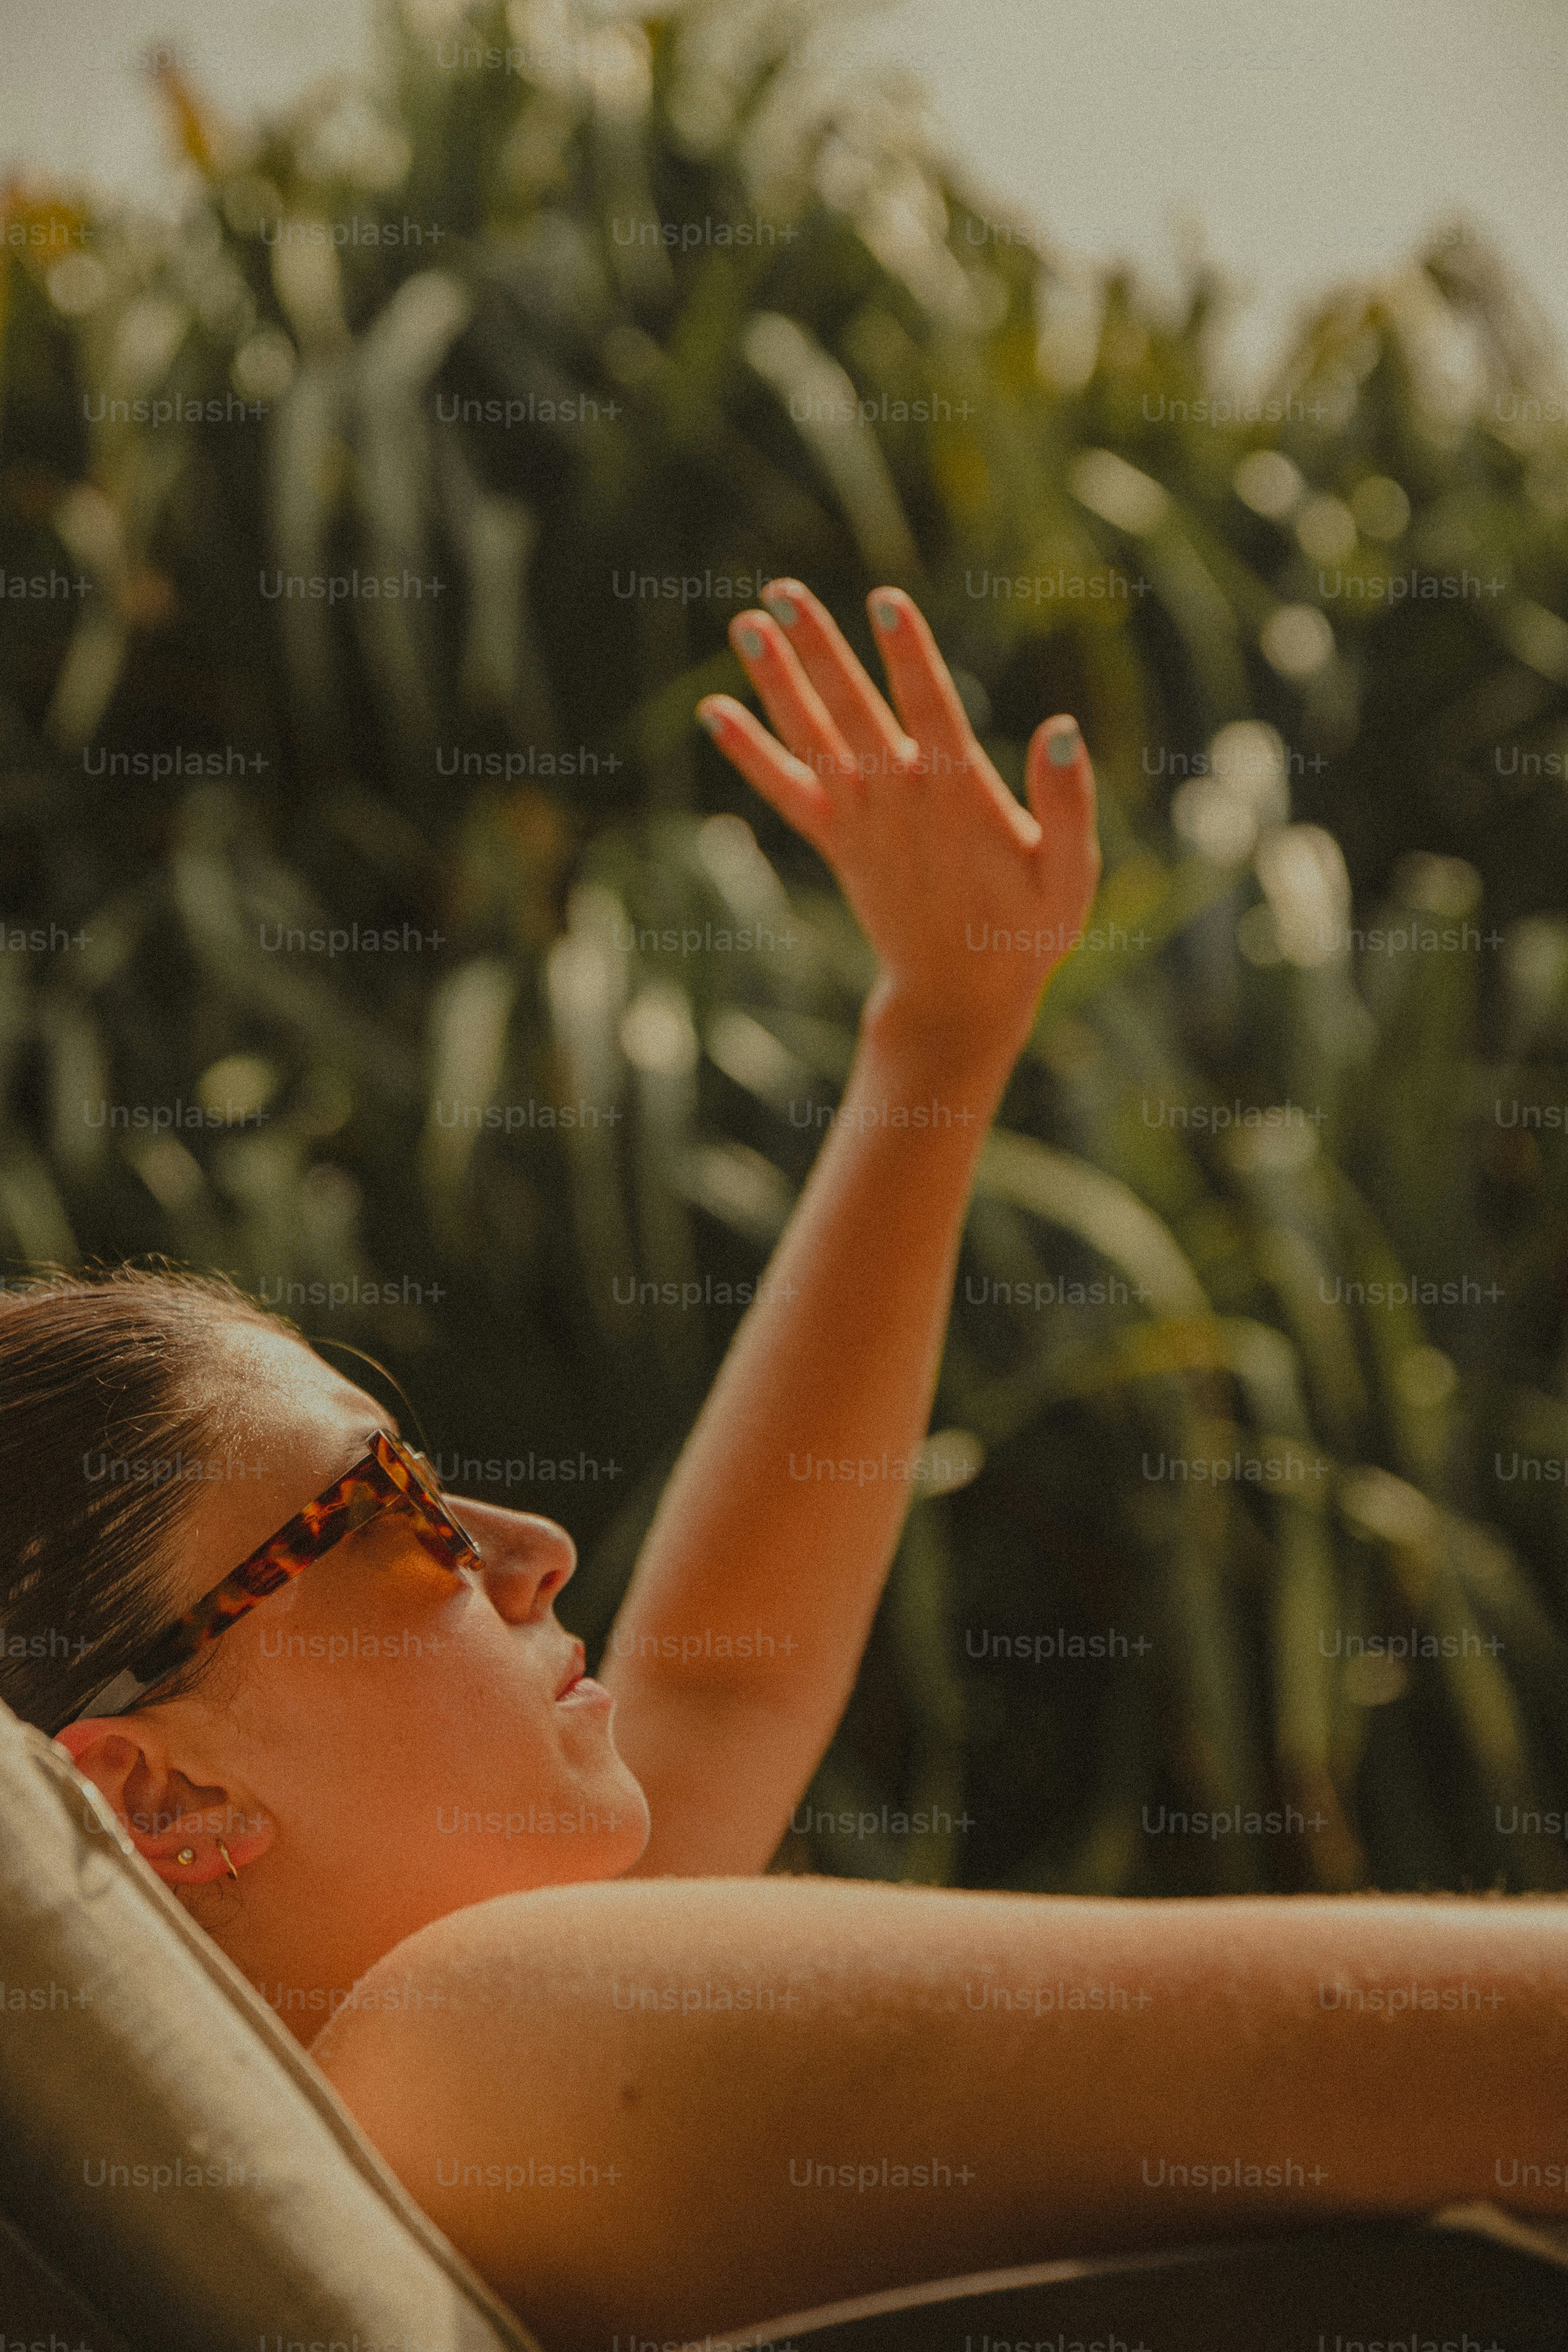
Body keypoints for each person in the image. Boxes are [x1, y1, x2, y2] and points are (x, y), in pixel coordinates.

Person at [4, 581, 1563, 2352]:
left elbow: (720, 1685)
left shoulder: (391, 2147)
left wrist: (943, 1029)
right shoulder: (473, 2035)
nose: (532, 1547)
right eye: (388, 1513)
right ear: (159, 1797)